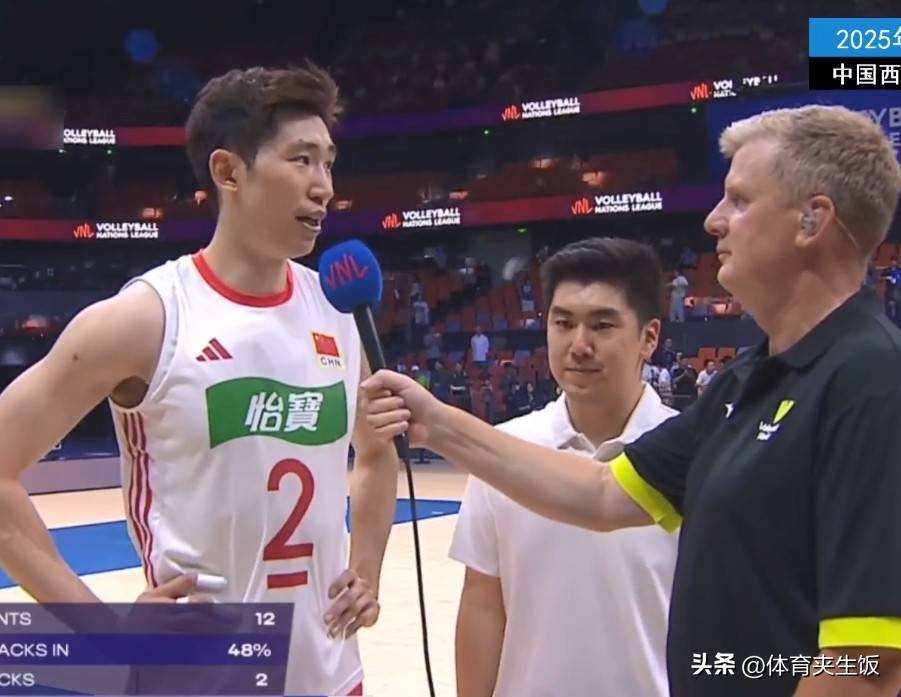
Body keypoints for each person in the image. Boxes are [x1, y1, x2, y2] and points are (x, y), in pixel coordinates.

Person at [361, 105, 901, 696]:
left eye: (740, 200)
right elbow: (602, 494)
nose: (714, 221)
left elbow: (866, 665)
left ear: (812, 220)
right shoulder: (748, 381)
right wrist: (435, 422)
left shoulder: (871, 380)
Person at [0, 65, 400, 697]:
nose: (324, 186)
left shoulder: (340, 308)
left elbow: (376, 452)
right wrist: (100, 632)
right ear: (228, 171)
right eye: (301, 160)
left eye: (329, 163)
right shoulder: (146, 319)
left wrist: (367, 568)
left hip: (332, 676)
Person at [451, 238, 678, 697]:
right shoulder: (504, 450)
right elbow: (483, 602)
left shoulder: (690, 455)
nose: (579, 345)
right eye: (563, 323)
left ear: (649, 338)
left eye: (602, 325)